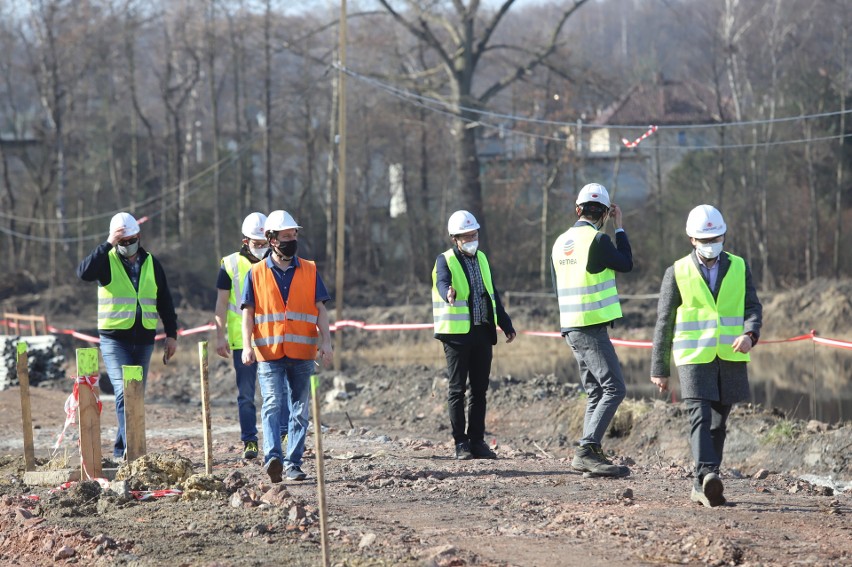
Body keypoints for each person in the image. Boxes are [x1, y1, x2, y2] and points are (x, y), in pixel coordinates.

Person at [650, 204, 762, 507]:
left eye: (716, 238)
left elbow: (753, 307)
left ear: (724, 236)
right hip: (693, 356)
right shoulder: (676, 271)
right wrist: (659, 368)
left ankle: (701, 485)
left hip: (730, 355)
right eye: (705, 240)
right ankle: (710, 473)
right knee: (699, 416)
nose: (711, 245)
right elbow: (664, 321)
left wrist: (751, 335)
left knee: (718, 423)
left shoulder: (739, 266)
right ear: (692, 239)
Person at [241, 210, 333, 483]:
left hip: (303, 353)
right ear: (271, 240)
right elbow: (248, 312)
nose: (292, 240)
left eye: (294, 235)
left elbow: (321, 309)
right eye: (286, 236)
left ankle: (293, 463)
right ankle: (273, 458)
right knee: (271, 404)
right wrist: (246, 346)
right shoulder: (255, 273)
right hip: (269, 353)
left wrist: (326, 342)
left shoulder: (310, 269)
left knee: (300, 410)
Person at [77, 212, 178, 460]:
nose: (126, 245)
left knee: (135, 395)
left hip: (144, 339)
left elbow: (165, 300)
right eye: (121, 241)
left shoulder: (152, 263)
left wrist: (171, 334)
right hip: (114, 339)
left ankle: (122, 450)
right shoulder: (106, 260)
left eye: (130, 239)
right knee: (123, 391)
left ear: (138, 237)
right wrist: (109, 242)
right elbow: (83, 273)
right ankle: (132, 450)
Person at [550, 183, 632, 477]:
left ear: (578, 209)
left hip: (570, 326)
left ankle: (591, 451)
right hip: (591, 326)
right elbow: (626, 263)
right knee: (614, 388)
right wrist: (619, 228)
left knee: (596, 391)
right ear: (605, 213)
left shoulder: (559, 242)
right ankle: (587, 449)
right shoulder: (598, 240)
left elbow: (555, 284)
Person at [432, 210, 516, 460]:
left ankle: (477, 441)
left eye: (474, 234)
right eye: (466, 235)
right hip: (457, 336)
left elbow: (492, 294)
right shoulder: (444, 259)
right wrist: (448, 292)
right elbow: (442, 282)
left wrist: (505, 323)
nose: (472, 239)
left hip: (482, 331)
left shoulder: (482, 259)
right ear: (454, 238)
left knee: (480, 390)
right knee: (457, 390)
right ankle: (461, 443)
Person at [214, 212, 290, 460]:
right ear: (245, 241)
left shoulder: (278, 261)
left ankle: (282, 433)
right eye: (257, 244)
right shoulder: (230, 264)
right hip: (242, 340)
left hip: (273, 337)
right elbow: (221, 303)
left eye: (265, 244)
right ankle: (250, 441)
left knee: (279, 391)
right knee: (246, 394)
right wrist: (219, 336)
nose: (262, 249)